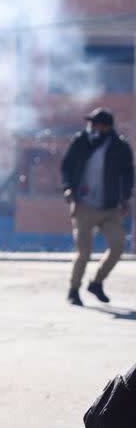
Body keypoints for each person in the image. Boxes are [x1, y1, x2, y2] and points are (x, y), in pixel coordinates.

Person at [61, 108, 133, 307]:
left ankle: (97, 282)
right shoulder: (81, 142)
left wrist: (125, 198)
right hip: (84, 205)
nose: (92, 127)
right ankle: (74, 289)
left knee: (118, 247)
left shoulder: (119, 147)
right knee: (84, 252)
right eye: (90, 123)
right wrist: (68, 188)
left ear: (106, 127)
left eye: (96, 124)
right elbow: (66, 166)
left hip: (109, 207)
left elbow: (128, 174)